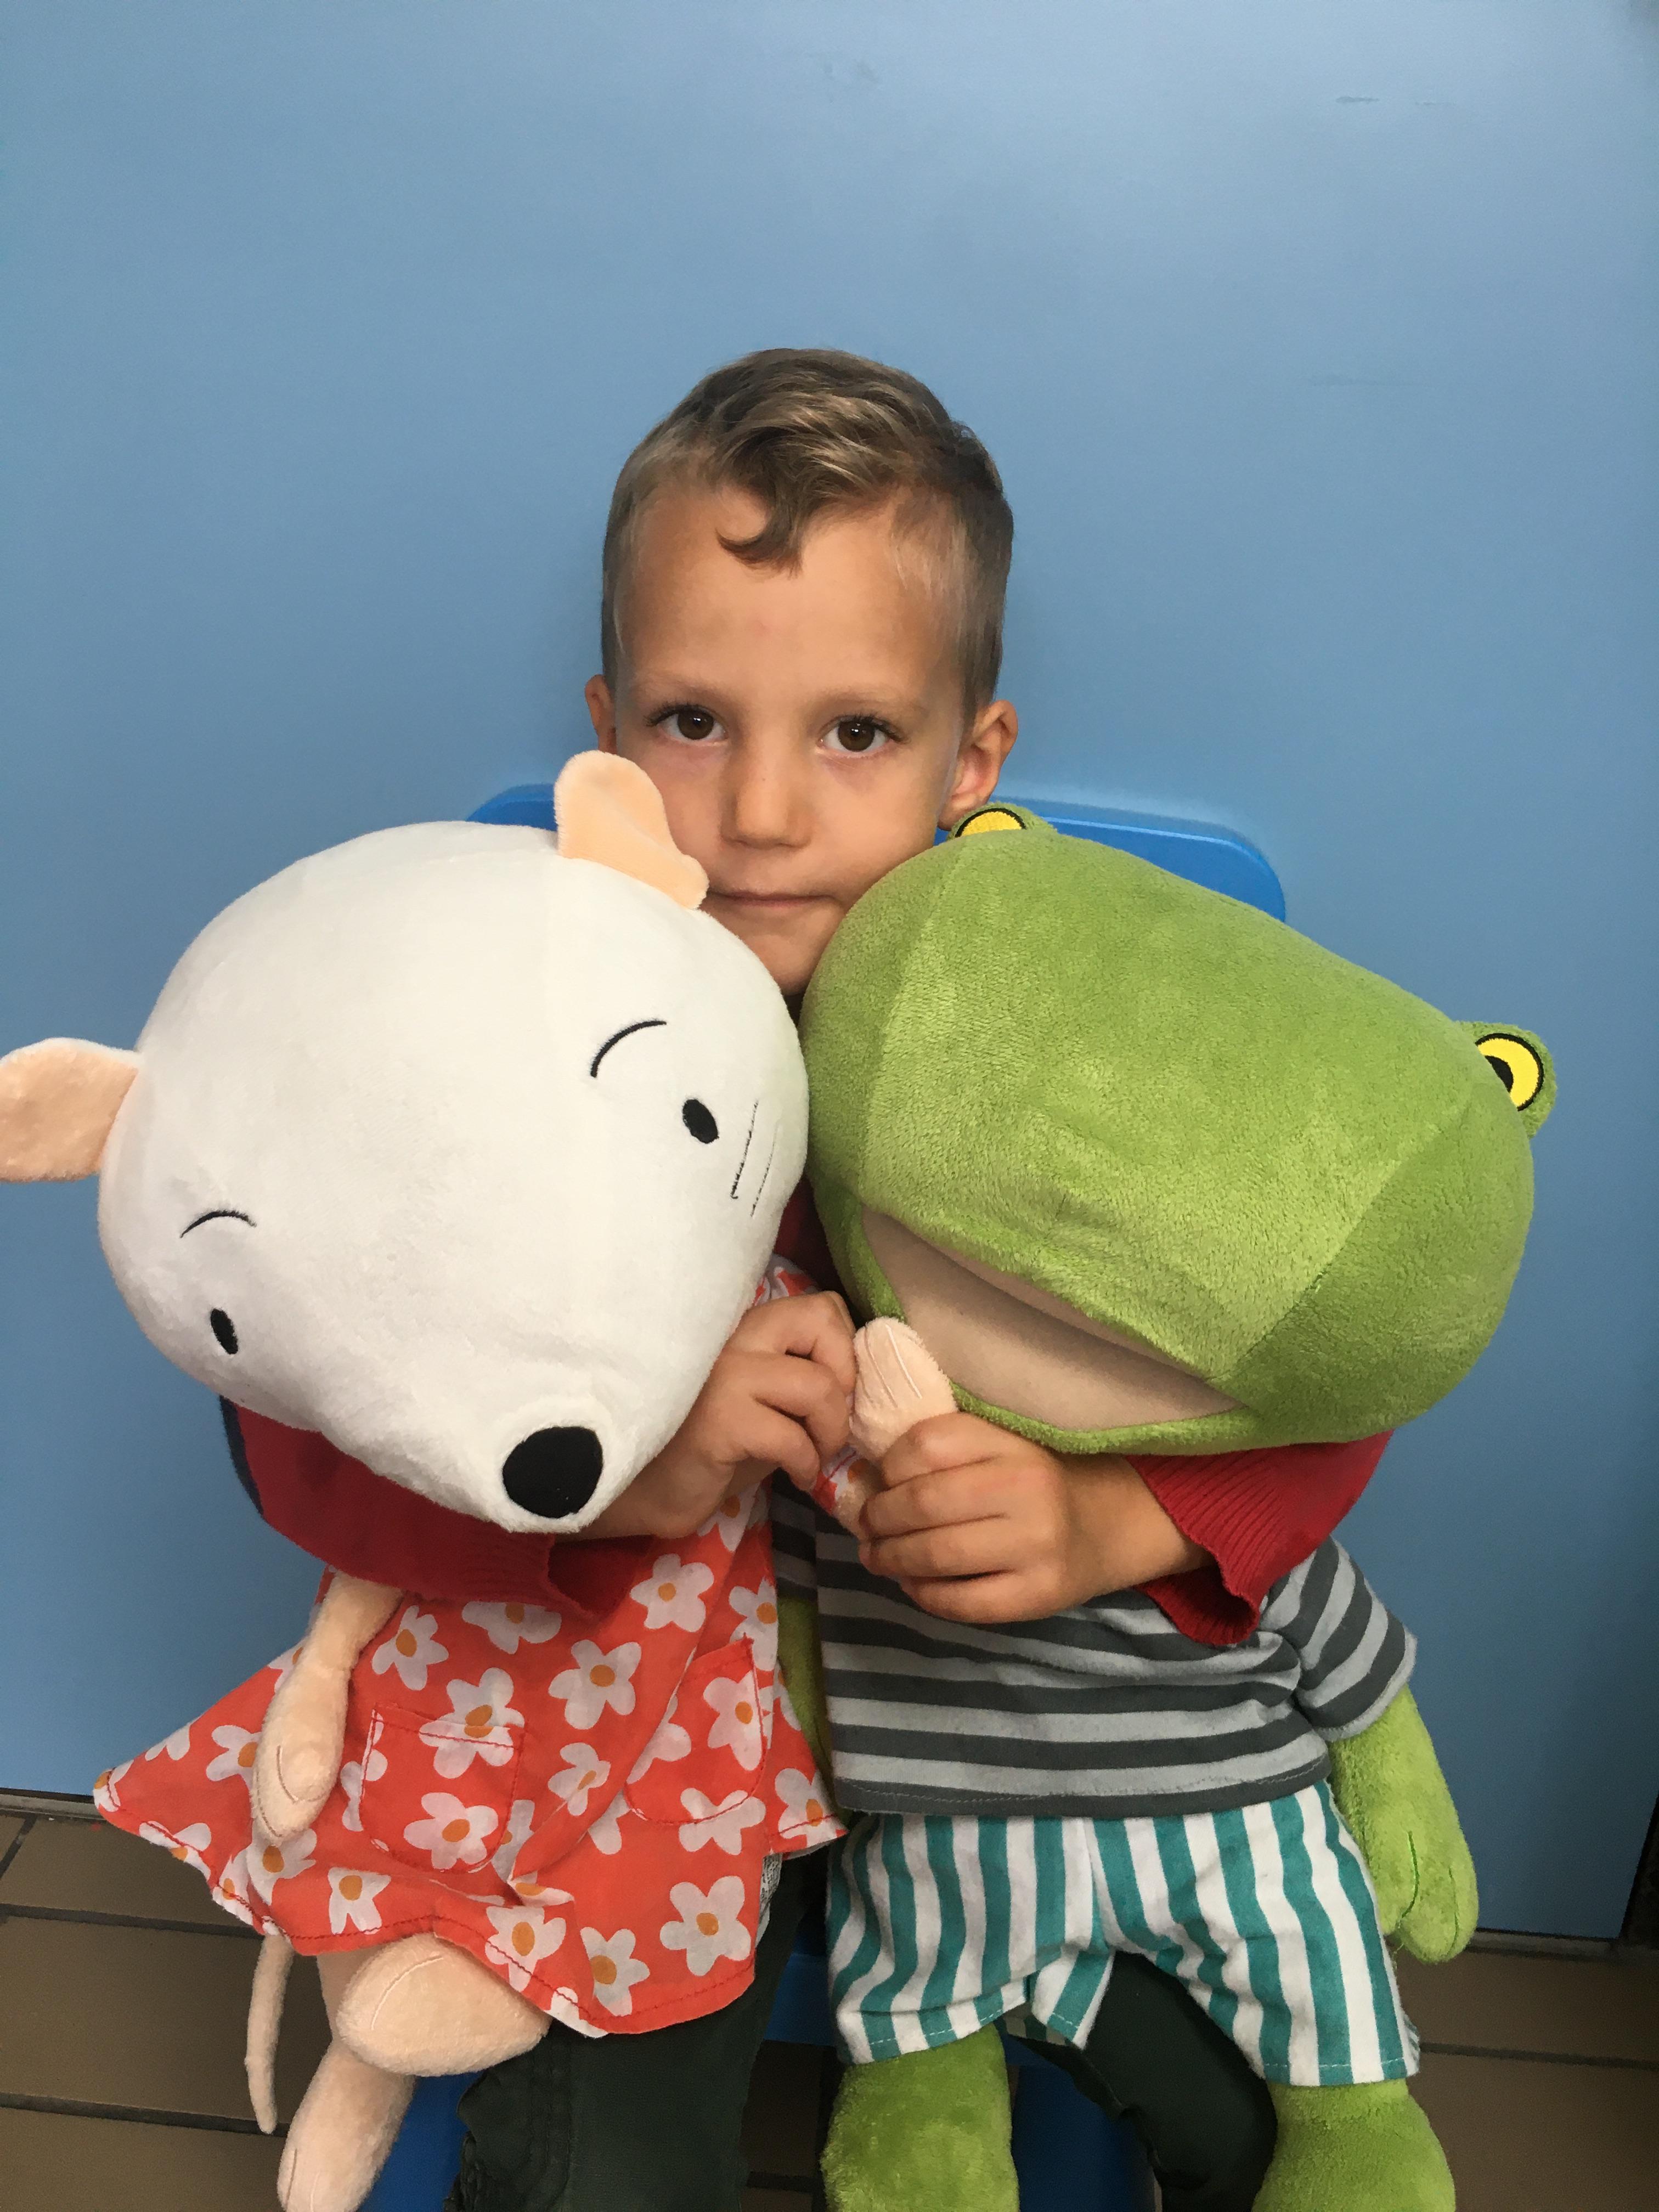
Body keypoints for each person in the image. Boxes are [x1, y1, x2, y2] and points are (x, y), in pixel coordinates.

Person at [232, 349, 1384, 2209]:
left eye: (855, 732)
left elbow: (1334, 1352)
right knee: (595, 2172)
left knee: (1283, 2124)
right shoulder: (500, 1034)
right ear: (607, 728)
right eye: (694, 721)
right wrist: (609, 1482)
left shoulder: (1056, 1043)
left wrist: (1115, 1522)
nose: (762, 811)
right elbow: (288, 1419)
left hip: (1005, 1748)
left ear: (971, 761)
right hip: (641, 1765)